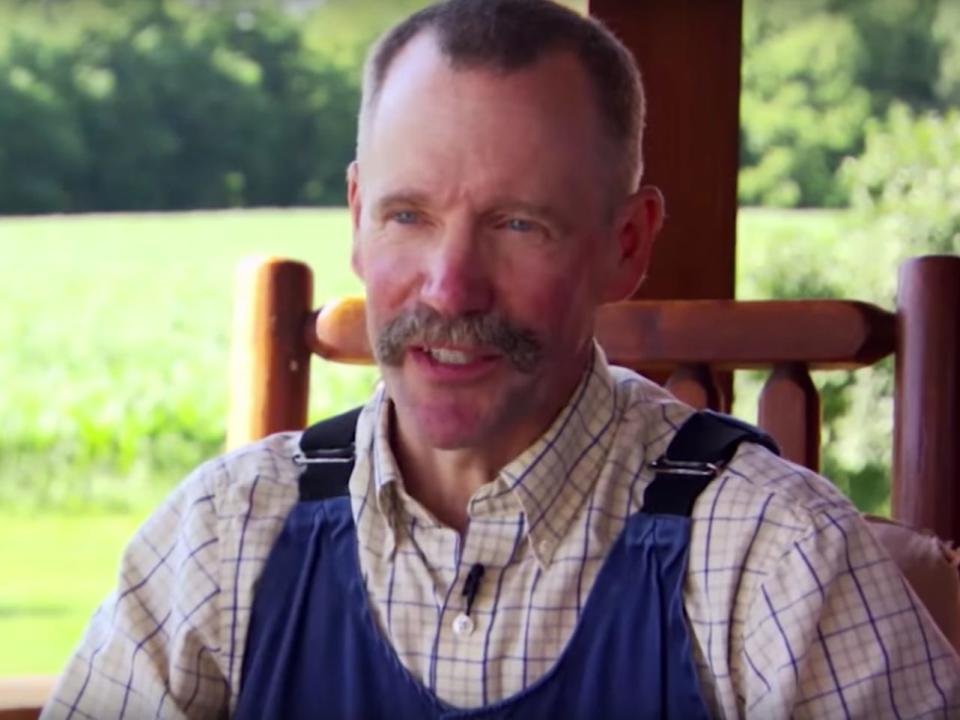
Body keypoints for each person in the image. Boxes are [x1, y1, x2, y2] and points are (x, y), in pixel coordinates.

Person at [44, 0, 960, 717]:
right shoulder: (222, 535)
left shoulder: (773, 558)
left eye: (519, 224)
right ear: (358, 219)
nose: (450, 289)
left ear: (628, 244)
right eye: (409, 216)